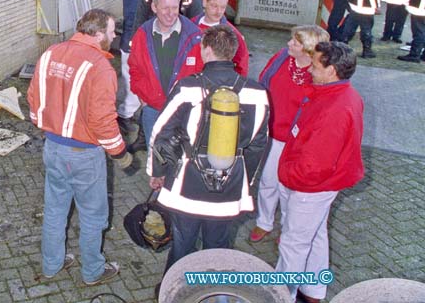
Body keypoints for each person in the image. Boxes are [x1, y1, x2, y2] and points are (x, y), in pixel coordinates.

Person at [147, 25, 269, 290]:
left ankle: (171, 292)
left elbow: (161, 133)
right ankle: (213, 294)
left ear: (206, 50)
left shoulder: (188, 87)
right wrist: (241, 179)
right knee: (218, 249)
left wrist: (156, 172)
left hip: (187, 187)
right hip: (229, 187)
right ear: (234, 53)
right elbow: (258, 144)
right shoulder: (258, 93)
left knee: (183, 245)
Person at [27, 9, 134, 286]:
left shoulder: (51, 53)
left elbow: (33, 98)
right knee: (93, 215)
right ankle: (92, 272)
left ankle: (52, 265)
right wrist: (120, 153)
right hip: (84, 155)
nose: (114, 36)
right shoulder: (100, 66)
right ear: (98, 34)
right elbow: (102, 121)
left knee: (54, 210)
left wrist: (45, 123)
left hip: (53, 147)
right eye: (111, 32)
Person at [275, 41, 364, 303]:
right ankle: (313, 290)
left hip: (310, 187)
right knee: (315, 235)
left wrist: (287, 174)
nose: (310, 70)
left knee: (293, 243)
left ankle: (282, 295)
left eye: (315, 66)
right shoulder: (342, 95)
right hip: (323, 184)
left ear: (332, 70)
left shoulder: (333, 109)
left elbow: (314, 166)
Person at [249, 25, 330, 244]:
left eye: (295, 42)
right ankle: (264, 221)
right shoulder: (281, 58)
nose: (288, 44)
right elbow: (263, 82)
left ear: (308, 50)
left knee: (290, 187)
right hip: (273, 132)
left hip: (298, 142)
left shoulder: (319, 74)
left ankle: (287, 227)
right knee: (268, 180)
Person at [129, 0, 203, 145]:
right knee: (154, 158)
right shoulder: (142, 34)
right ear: (154, 7)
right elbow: (134, 68)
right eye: (165, 8)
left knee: (182, 160)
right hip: (152, 110)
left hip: (184, 113)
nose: (171, 14)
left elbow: (202, 75)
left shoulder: (195, 37)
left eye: (174, 7)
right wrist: (144, 98)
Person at [117, 0, 153, 132]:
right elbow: (133, 22)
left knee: (130, 79)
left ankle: (126, 113)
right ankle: (124, 115)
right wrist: (135, 45)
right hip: (132, 46)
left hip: (131, 44)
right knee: (132, 80)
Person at [190, 0, 249, 76]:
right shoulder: (189, 27)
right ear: (205, 3)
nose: (219, 11)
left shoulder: (232, 34)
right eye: (214, 6)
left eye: (223, 7)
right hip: (189, 83)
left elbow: (241, 66)